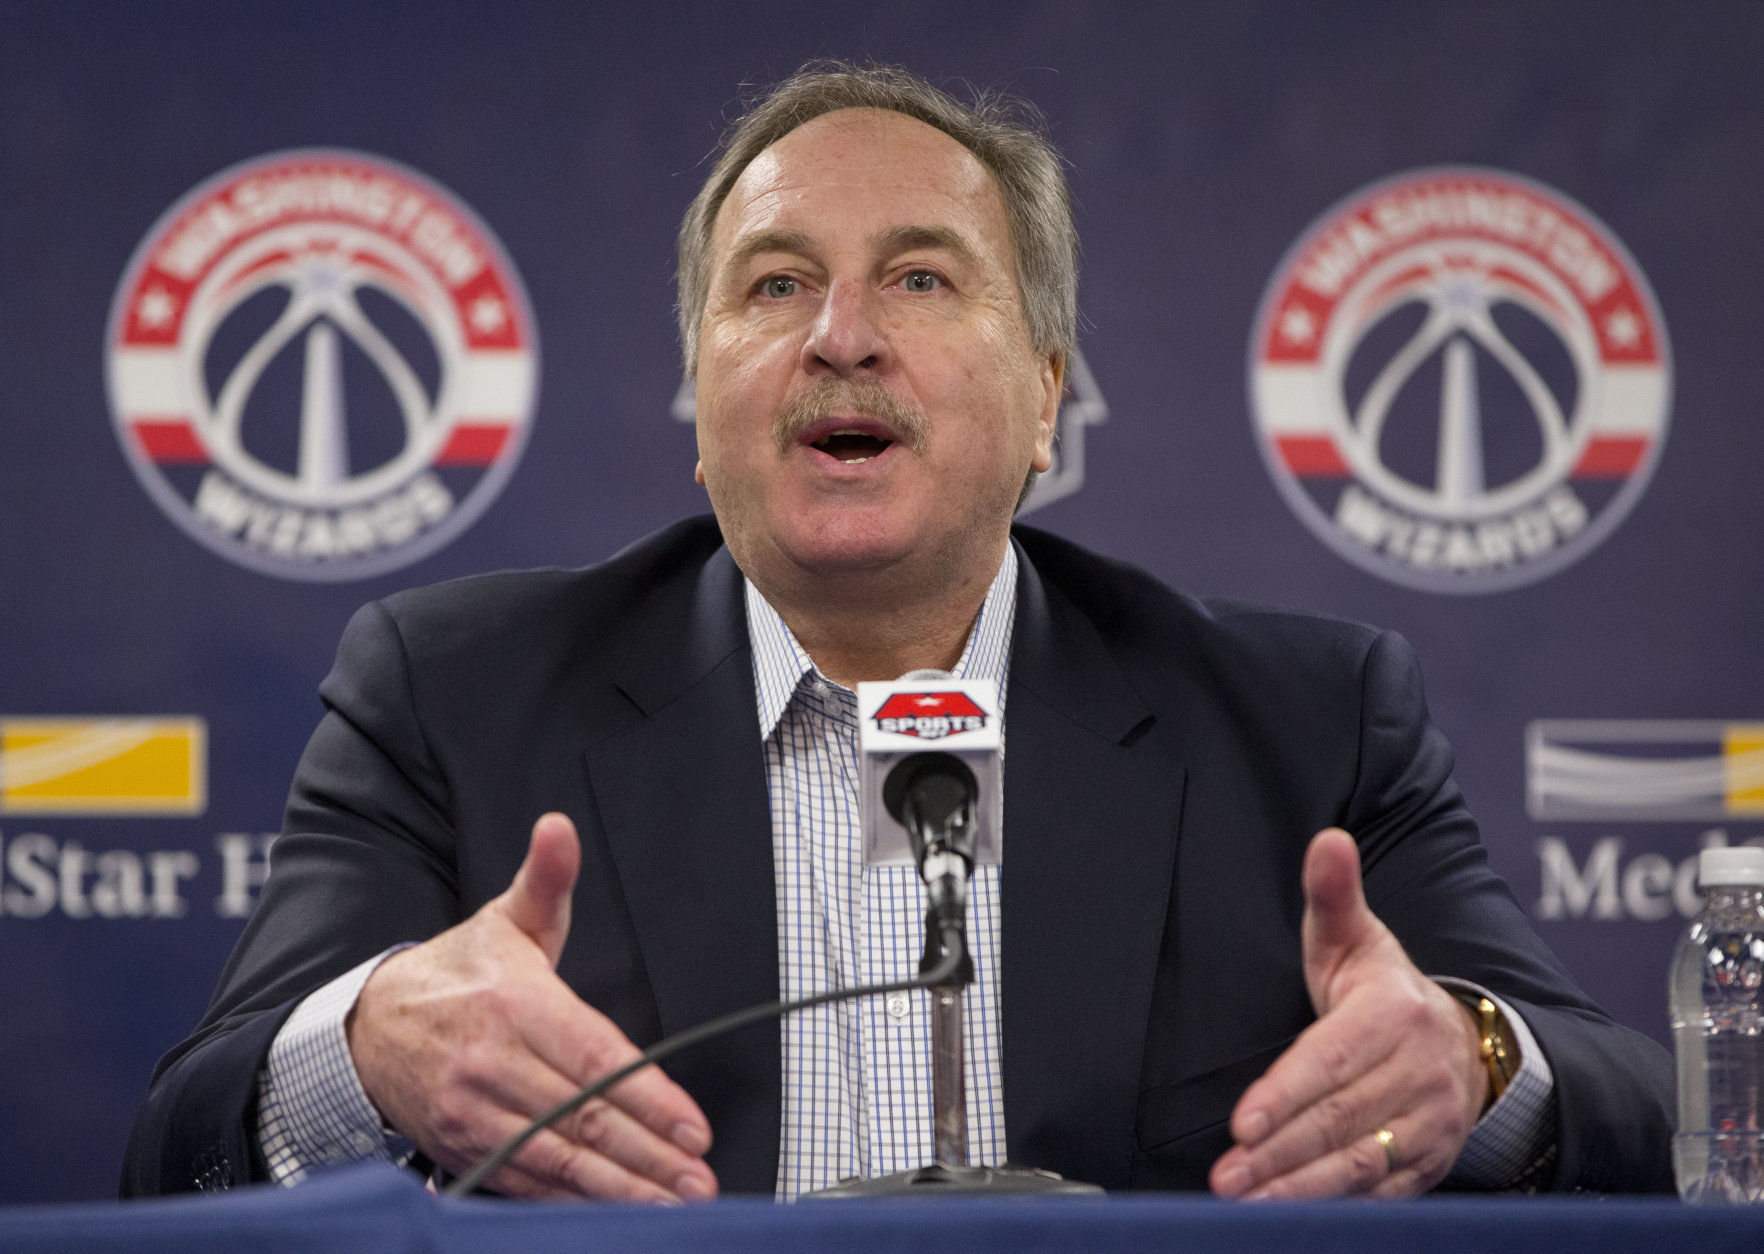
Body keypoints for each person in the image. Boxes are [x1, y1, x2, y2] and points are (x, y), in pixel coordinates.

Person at [122, 62, 1673, 1203]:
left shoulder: (1305, 717)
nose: (839, 335)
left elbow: (1631, 1108)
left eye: (920, 277)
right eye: (774, 284)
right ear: (699, 400)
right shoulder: (452, 695)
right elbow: (174, 1146)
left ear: (1049, 395)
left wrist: (1468, 1058)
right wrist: (368, 1043)